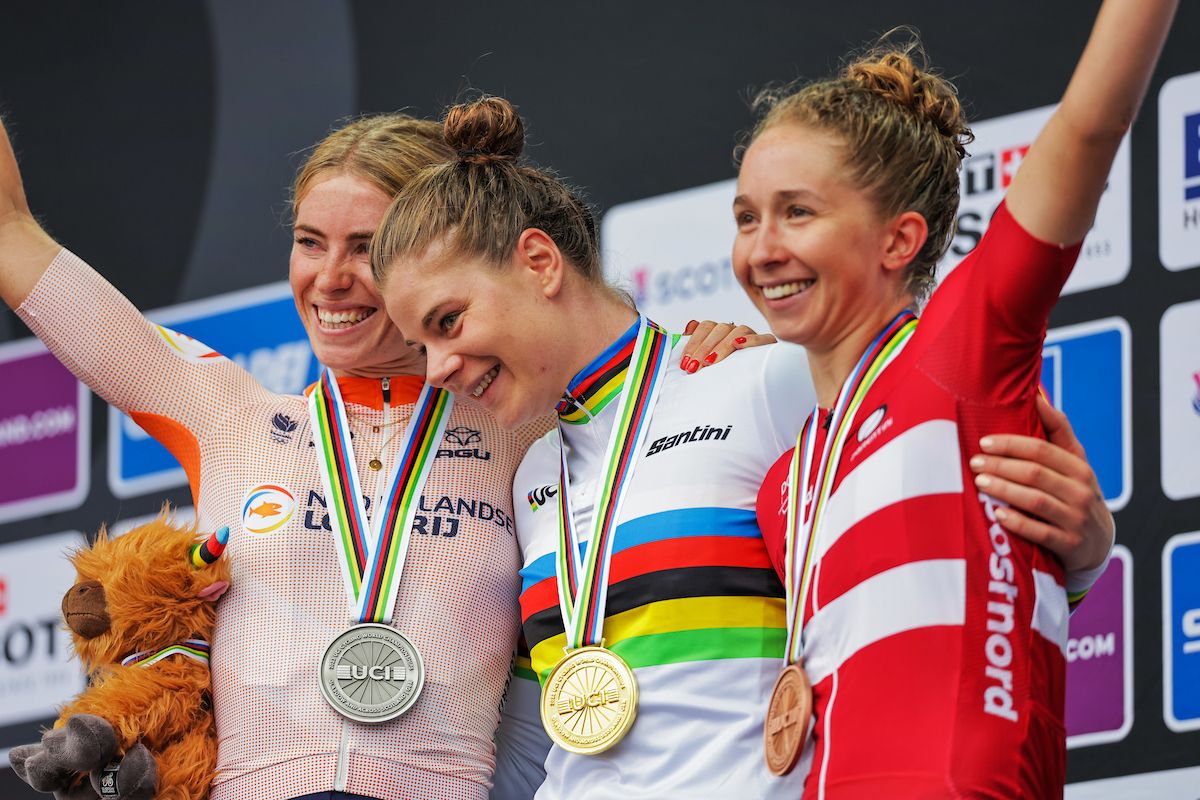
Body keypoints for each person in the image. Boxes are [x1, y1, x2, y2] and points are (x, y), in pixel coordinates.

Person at [0, 110, 770, 800]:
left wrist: (718, 350)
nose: (329, 278)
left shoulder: (520, 422)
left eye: (365, 249)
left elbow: (632, 380)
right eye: (309, 242)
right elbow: (11, 232)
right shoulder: (226, 414)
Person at [369, 92, 1117, 798]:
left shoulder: (762, 380)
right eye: (417, 345)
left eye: (448, 323)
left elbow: (934, 562)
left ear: (539, 263)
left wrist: (1079, 557)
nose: (436, 370)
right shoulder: (534, 473)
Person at [735, 1, 1174, 795]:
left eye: (796, 212)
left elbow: (1088, 130)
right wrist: (1074, 567)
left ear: (899, 241)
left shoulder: (961, 351)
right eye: (746, 217)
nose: (763, 249)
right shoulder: (782, 488)